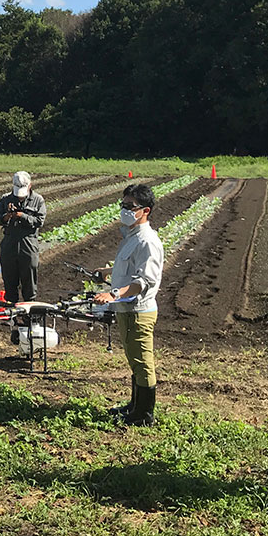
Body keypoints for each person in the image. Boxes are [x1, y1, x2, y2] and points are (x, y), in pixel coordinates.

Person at [93, 183, 164, 427]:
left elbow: (143, 281)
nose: (124, 210)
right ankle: (135, 406)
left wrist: (113, 294)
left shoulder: (148, 242)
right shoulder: (131, 237)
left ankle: (144, 414)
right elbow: (129, 269)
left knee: (143, 361)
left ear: (145, 211)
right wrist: (109, 272)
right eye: (122, 205)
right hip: (126, 310)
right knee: (134, 360)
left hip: (138, 311)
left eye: (129, 206)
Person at [0, 171, 46, 302]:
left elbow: (39, 221)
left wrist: (22, 216)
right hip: (9, 244)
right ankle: (11, 314)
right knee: (9, 280)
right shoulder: (5, 199)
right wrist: (7, 216)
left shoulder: (38, 200)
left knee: (29, 282)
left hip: (28, 244)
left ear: (30, 185)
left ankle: (29, 315)